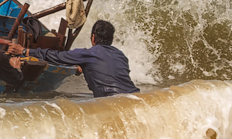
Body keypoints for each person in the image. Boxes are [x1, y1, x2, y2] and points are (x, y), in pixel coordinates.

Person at [9, 19, 138, 97]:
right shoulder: (121, 56)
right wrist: (86, 67)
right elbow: (108, 72)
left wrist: (24, 50)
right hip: (136, 98)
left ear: (93, 38)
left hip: (112, 101)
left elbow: (56, 57)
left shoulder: (88, 54)